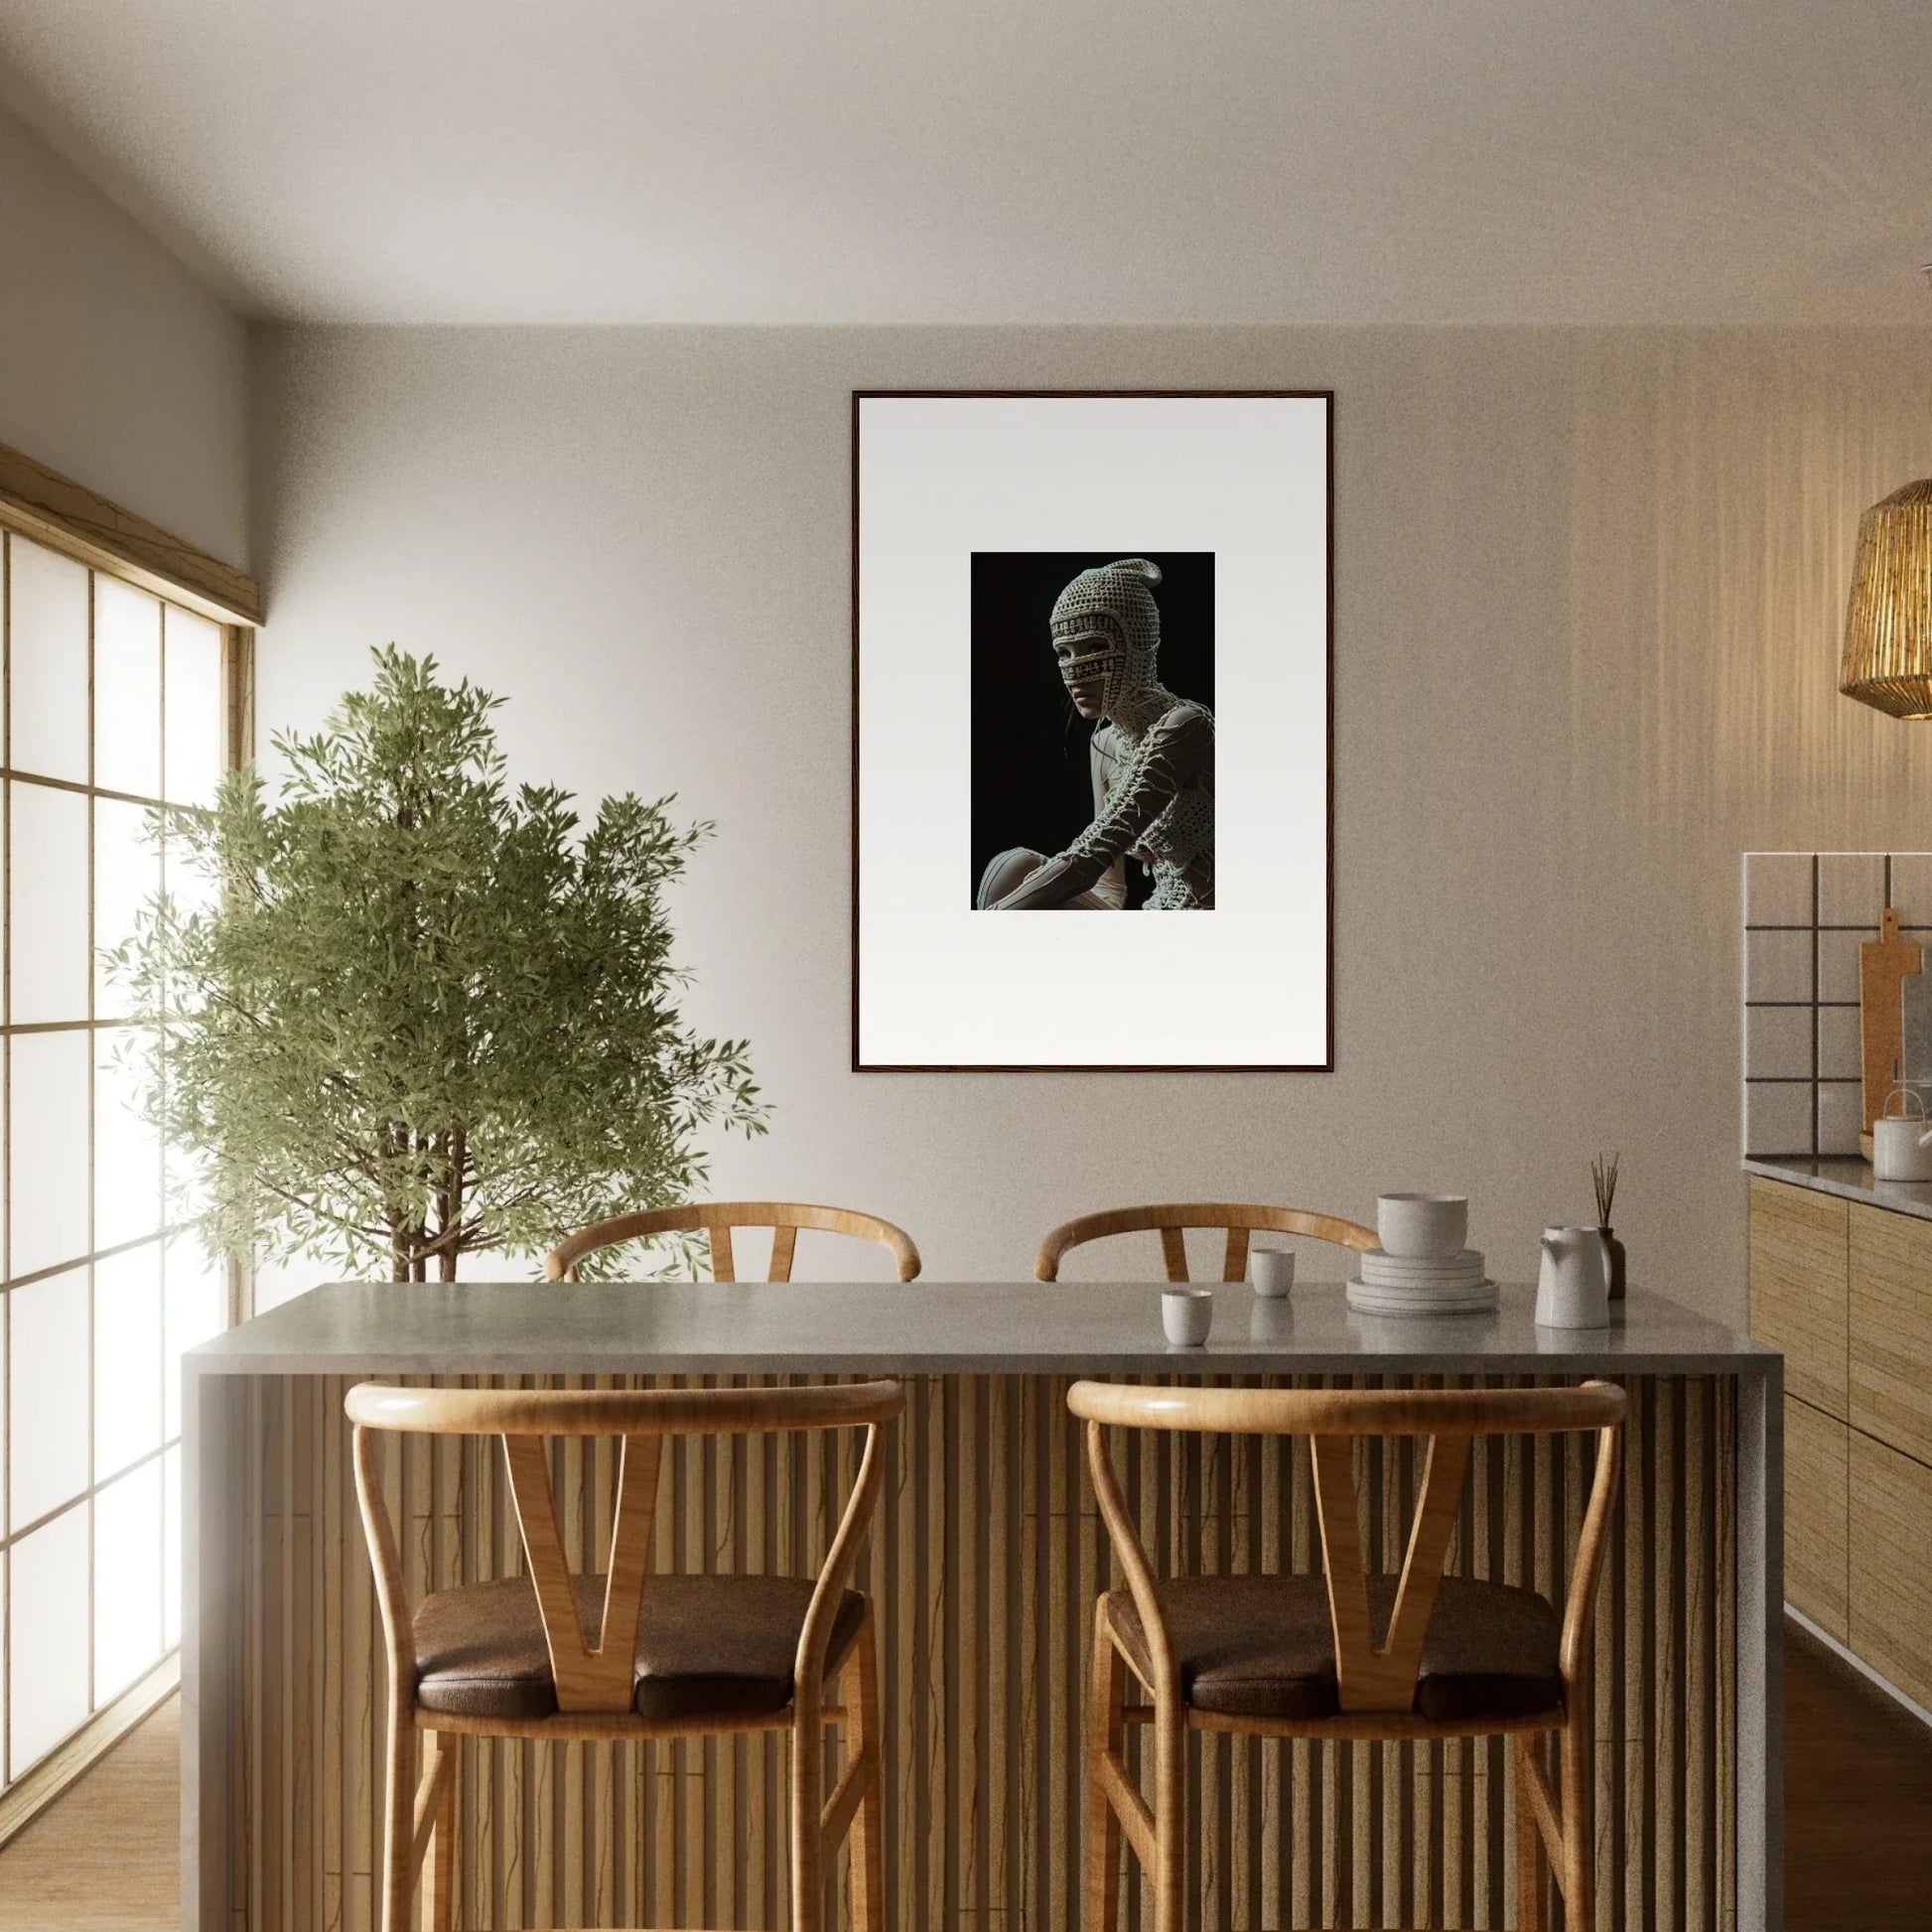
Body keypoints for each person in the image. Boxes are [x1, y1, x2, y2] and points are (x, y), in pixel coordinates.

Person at [976, 557, 1214, 910]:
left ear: (1138, 645)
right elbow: (1108, 884)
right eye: (1063, 652)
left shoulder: (1185, 725)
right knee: (1015, 866)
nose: (1075, 671)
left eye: (1095, 647)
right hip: (1153, 911)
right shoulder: (1104, 744)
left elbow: (1092, 855)